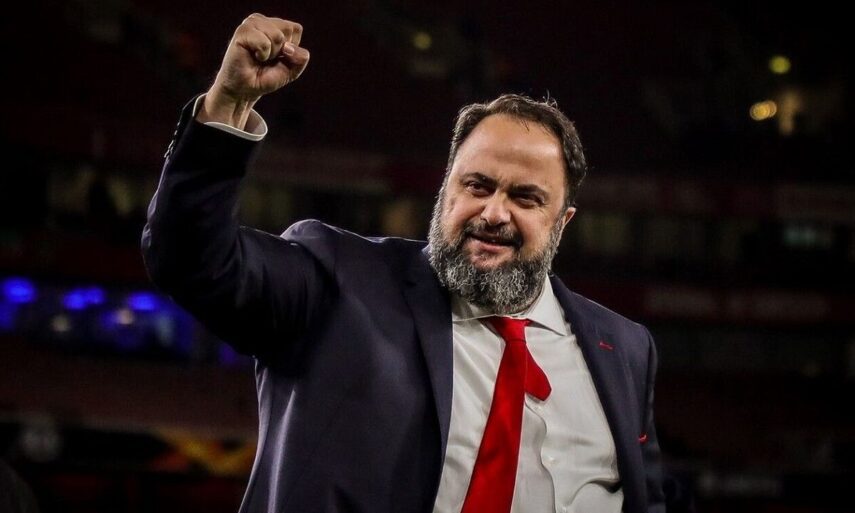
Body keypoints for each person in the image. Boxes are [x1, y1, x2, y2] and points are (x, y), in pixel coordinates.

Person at [142, 13, 665, 513]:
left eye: (525, 197)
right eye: (477, 186)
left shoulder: (624, 349)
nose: (494, 213)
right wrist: (229, 105)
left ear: (562, 221)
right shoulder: (338, 282)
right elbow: (189, 259)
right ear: (445, 191)